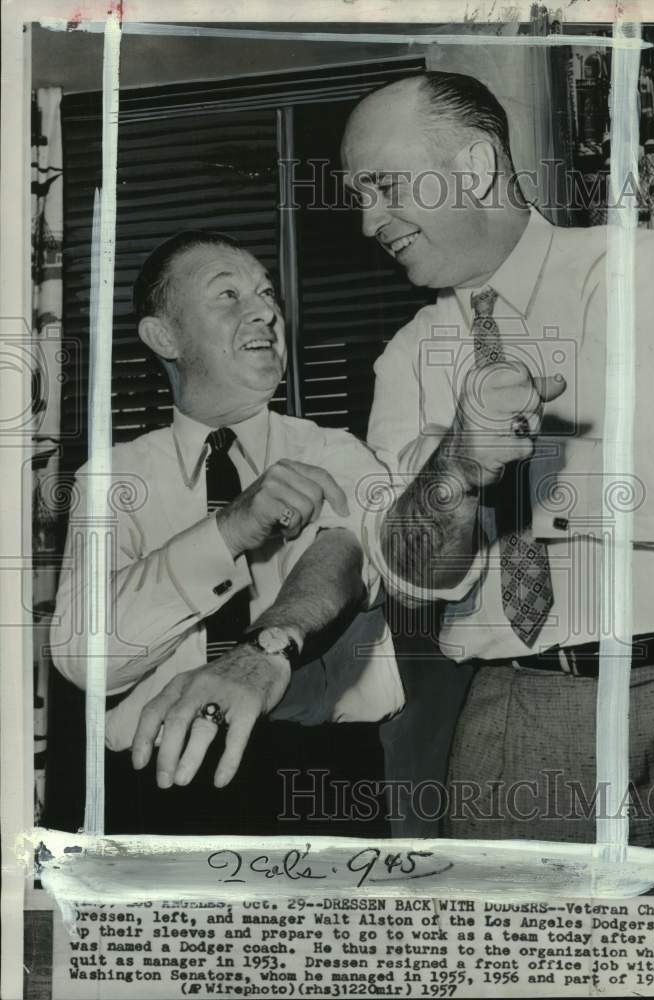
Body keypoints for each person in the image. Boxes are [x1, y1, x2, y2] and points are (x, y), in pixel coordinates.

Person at [342, 72, 654, 891]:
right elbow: (413, 570)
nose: (370, 221)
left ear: (476, 166)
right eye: (357, 196)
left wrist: (531, 461)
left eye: (383, 185)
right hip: (524, 713)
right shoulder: (407, 357)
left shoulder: (642, 272)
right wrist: (458, 467)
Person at [50, 230, 404, 836]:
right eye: (229, 295)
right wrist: (229, 530)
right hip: (157, 785)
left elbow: (350, 557)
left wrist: (260, 655)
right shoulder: (113, 479)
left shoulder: (338, 453)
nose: (265, 309)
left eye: (268, 293)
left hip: (319, 779)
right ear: (165, 336)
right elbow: (87, 657)